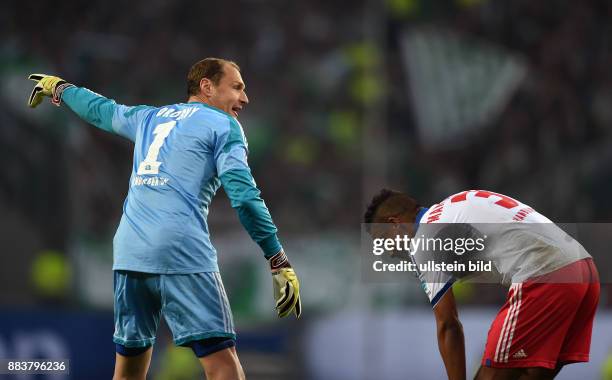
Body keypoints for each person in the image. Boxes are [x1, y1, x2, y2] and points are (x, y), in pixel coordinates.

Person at [27, 58, 301, 380]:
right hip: (180, 250)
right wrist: (277, 258)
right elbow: (244, 197)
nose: (245, 99)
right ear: (207, 87)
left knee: (128, 370)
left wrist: (62, 88)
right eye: (237, 87)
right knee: (222, 364)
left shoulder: (149, 117)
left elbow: (101, 110)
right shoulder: (223, 126)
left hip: (130, 252)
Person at [364, 189, 599, 380]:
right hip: (584, 270)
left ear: (394, 224)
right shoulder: (455, 203)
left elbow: (448, 325)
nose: (389, 253)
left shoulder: (424, 239)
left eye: (383, 241)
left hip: (544, 274)